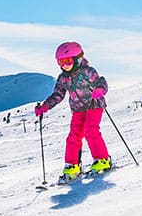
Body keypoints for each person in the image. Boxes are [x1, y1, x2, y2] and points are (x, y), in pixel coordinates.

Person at [34, 41, 111, 181]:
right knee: (73, 136)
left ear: (78, 59)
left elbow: (101, 82)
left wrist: (100, 89)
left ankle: (102, 159)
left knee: (91, 130)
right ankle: (72, 165)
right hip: (78, 109)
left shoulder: (88, 71)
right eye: (61, 62)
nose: (64, 65)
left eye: (68, 61)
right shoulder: (63, 78)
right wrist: (45, 106)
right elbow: (58, 95)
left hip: (94, 105)